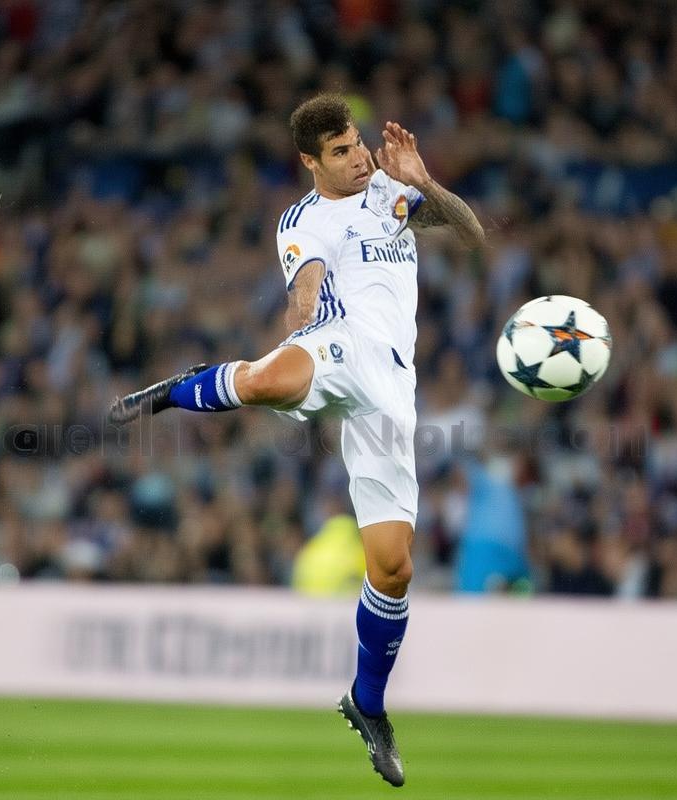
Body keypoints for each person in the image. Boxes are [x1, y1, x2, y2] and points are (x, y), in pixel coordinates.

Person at [110, 94, 483, 786]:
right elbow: (306, 282)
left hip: (391, 388)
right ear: (310, 161)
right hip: (338, 343)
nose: (359, 157)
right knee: (267, 380)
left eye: (358, 143)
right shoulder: (303, 219)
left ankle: (368, 704)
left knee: (393, 568)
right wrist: (301, 318)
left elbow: (472, 232)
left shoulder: (392, 194)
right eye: (341, 152)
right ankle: (181, 390)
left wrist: (425, 182)